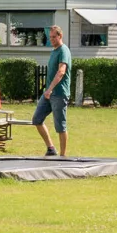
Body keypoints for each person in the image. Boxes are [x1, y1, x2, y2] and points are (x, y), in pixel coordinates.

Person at [33, 24, 71, 157]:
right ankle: (51, 148)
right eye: (50, 37)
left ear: (60, 36)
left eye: (54, 37)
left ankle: (63, 156)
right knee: (37, 119)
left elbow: (61, 72)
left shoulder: (63, 51)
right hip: (49, 93)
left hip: (59, 93)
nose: (52, 40)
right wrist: (47, 90)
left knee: (60, 126)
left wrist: (49, 89)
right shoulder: (54, 51)